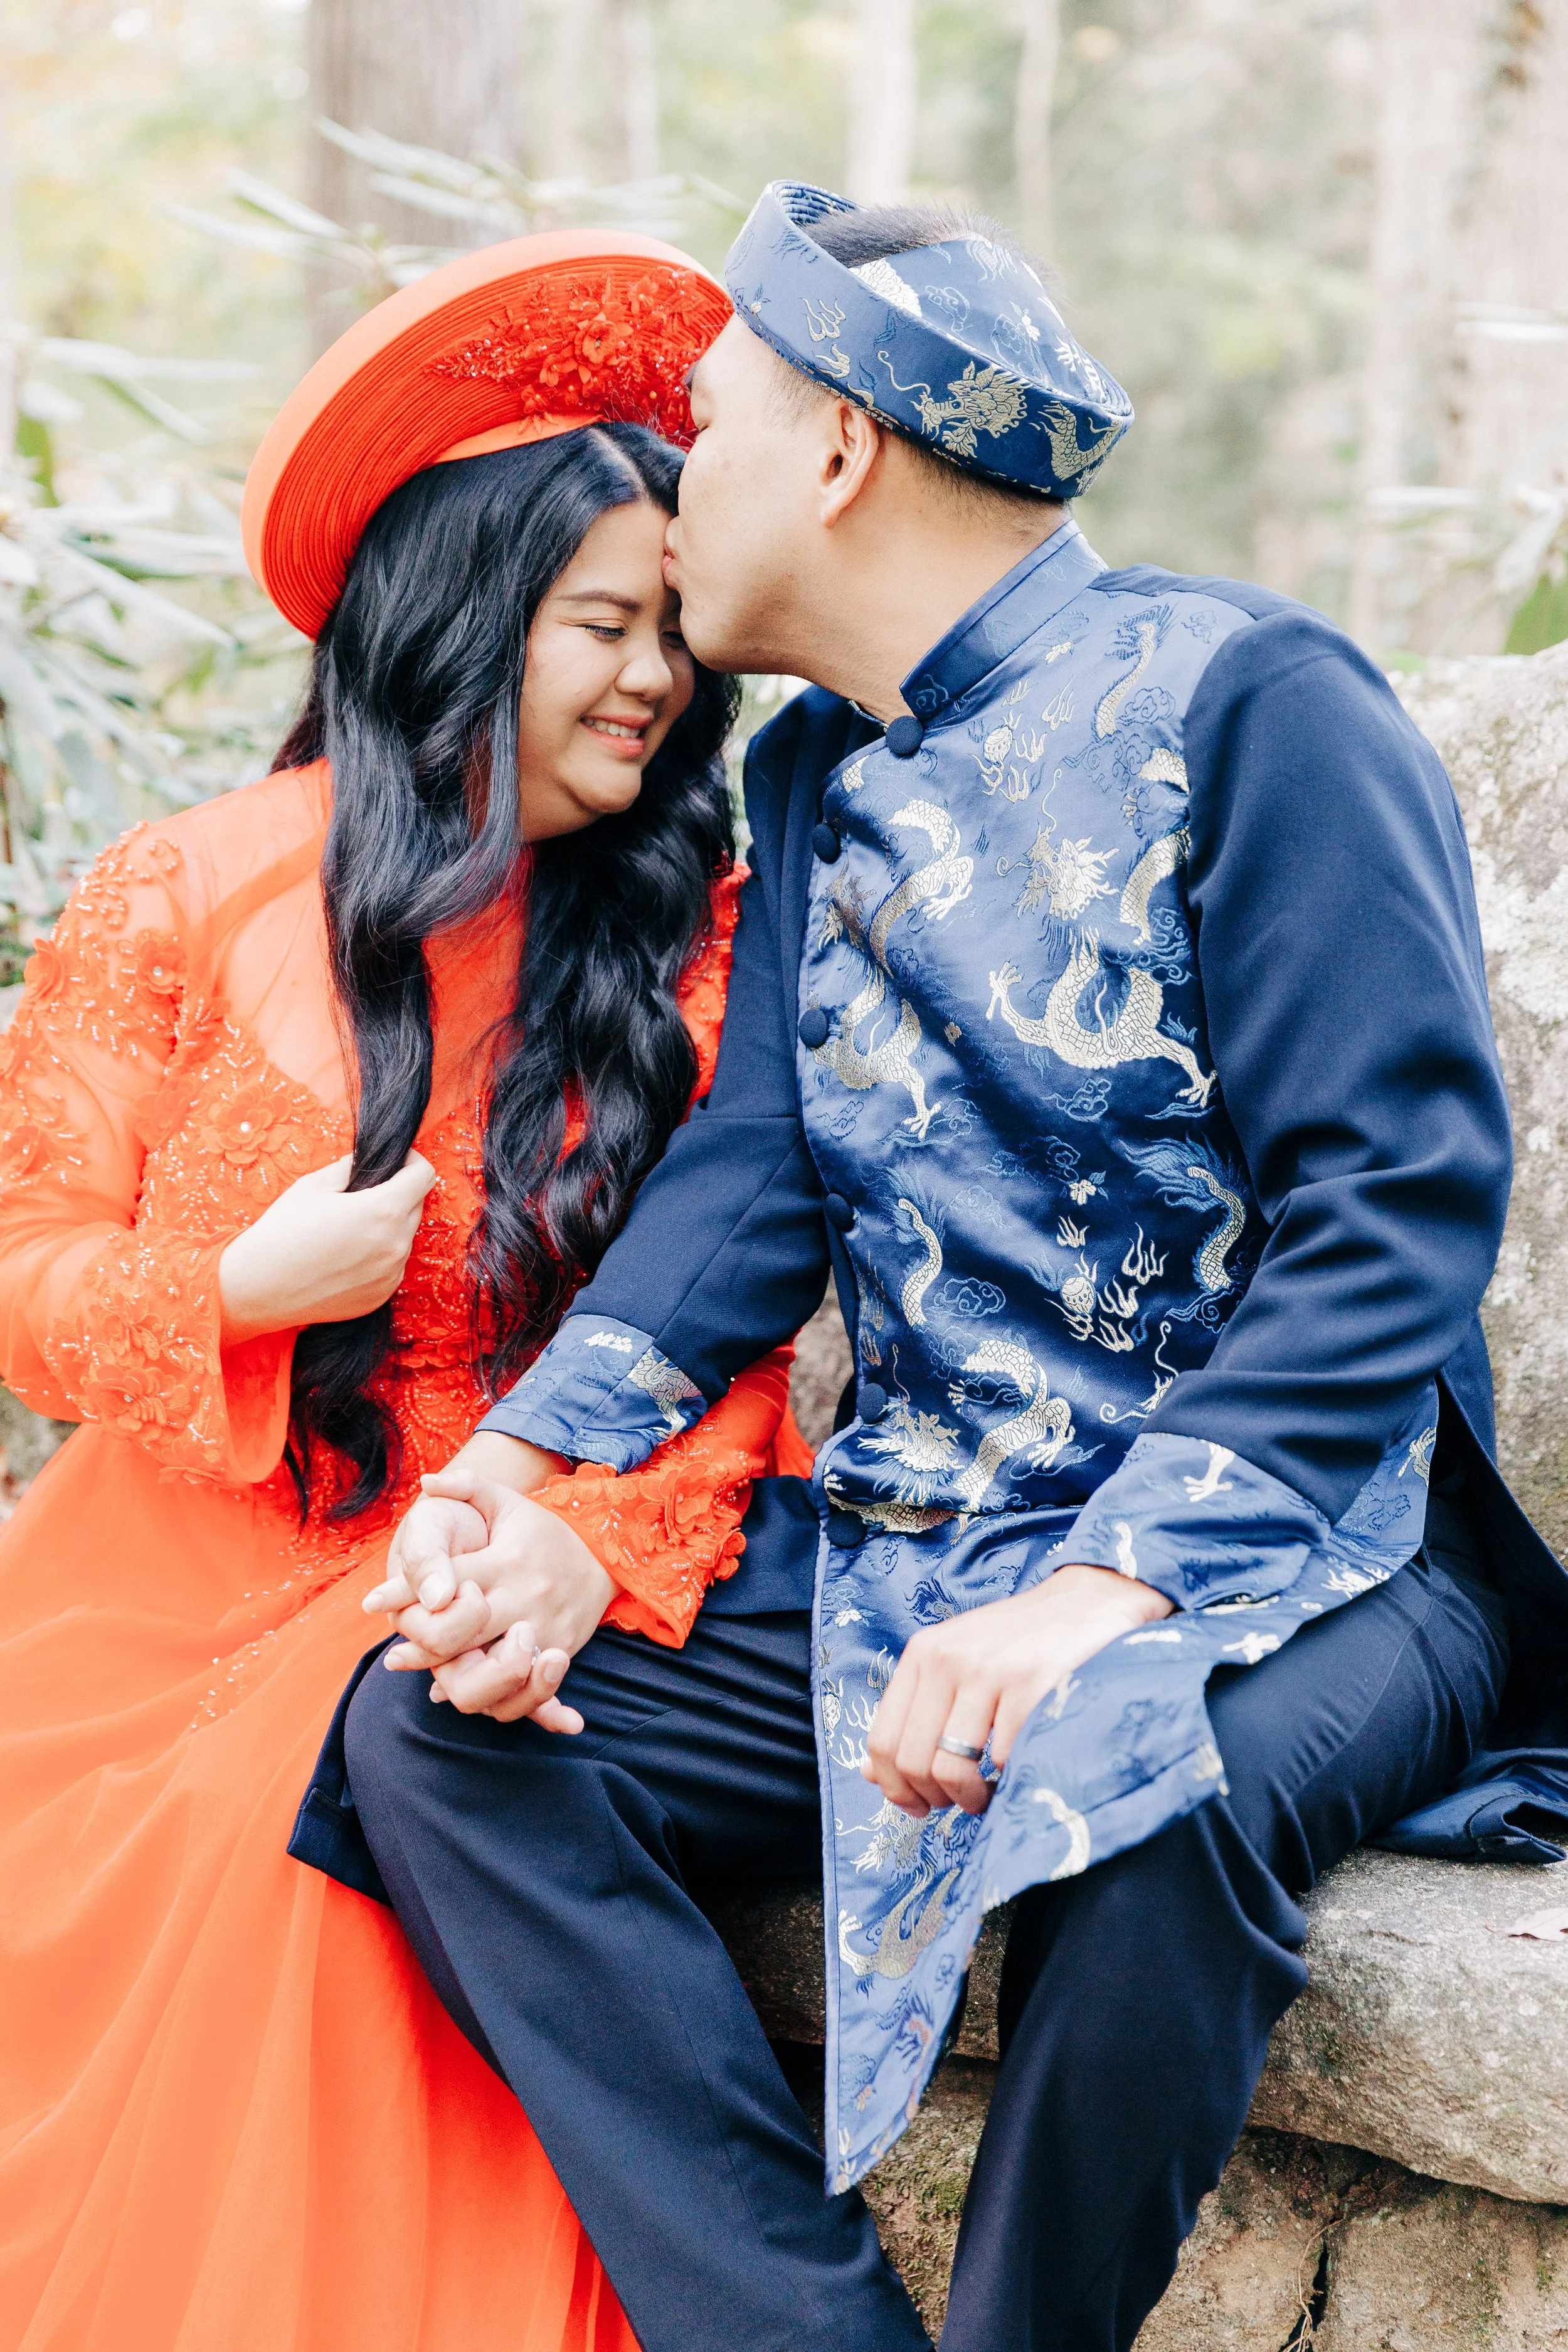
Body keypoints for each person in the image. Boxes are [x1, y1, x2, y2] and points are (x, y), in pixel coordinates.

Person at [333, 188, 1568, 2352]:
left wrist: (1104, 1590)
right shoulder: (814, 771)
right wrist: (518, 1474)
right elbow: (756, 1189)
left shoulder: (1254, 699)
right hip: (922, 1524)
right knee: (435, 1735)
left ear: (831, 448)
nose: (666, 476)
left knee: (1131, 1781)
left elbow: (1392, 1208)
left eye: (702, 425)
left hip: (1325, 1540)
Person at [0, 230, 812, 2352]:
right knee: (238, 1830)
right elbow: (15, 1270)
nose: (655, 678)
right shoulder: (184, 882)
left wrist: (569, 1542)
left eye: (672, 637)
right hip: (148, 1592)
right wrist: (230, 1281)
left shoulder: (689, 941)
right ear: (457, 619)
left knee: (360, 1807)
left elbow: (714, 1333)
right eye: (599, 625)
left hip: (461, 1562)